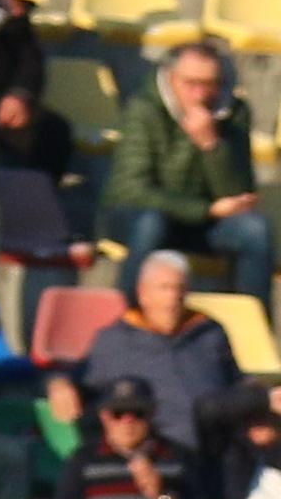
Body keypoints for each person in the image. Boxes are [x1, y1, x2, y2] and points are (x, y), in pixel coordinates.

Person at [100, 38, 270, 303]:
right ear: (171, 78)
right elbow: (130, 190)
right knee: (151, 224)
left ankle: (252, 319)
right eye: (191, 83)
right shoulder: (143, 110)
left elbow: (239, 196)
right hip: (141, 217)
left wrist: (211, 146)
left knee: (255, 230)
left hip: (203, 225)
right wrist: (206, 210)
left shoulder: (235, 113)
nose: (200, 94)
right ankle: (129, 313)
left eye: (209, 84)